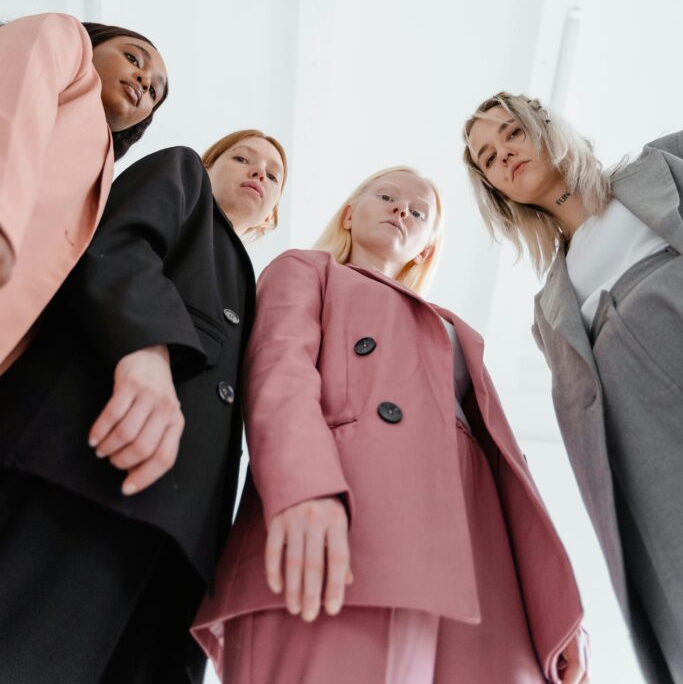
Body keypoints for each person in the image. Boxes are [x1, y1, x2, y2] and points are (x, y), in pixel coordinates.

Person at [193, 166, 588, 684]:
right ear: (350, 214)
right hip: (348, 513)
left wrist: (556, 610)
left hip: (475, 548)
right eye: (386, 195)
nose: (402, 209)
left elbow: (513, 466)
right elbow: (278, 373)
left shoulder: (452, 328)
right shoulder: (307, 269)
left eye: (419, 211)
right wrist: (303, 489)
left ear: (425, 249)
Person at [0, 129, 287, 684]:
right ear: (211, 163)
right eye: (243, 157)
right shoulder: (183, 177)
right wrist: (145, 351)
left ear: (273, 214)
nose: (258, 171)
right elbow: (117, 243)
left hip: (175, 548)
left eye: (274, 174)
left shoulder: (257, 288)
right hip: (82, 473)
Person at [463, 92, 683, 684]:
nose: (503, 155)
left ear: (546, 126)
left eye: (511, 134)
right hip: (655, 457)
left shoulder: (662, 167)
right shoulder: (550, 309)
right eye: (487, 157)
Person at [0, 12, 168, 372]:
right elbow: (12, 108)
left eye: (154, 91)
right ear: (95, 42)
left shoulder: (105, 173)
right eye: (133, 58)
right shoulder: (66, 38)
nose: (143, 79)